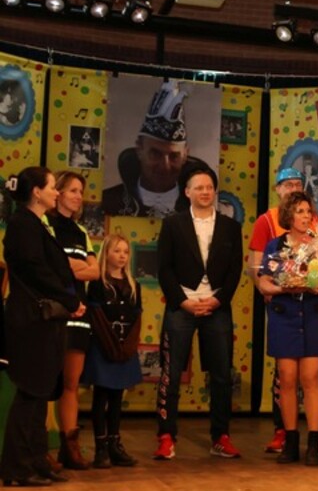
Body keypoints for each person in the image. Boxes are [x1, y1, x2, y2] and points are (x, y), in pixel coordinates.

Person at [248, 167, 318, 456]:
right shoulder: (275, 246)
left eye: (307, 211)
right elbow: (264, 282)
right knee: (287, 378)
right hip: (284, 315)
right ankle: (290, 440)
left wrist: (316, 284)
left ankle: (314, 441)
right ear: (288, 215)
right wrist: (285, 287)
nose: (304, 216)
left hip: (312, 315)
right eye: (299, 211)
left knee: (311, 378)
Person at [1, 166, 85, 486]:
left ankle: (37, 460)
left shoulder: (38, 224)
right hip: (31, 321)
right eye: (52, 186)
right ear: (36, 192)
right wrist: (69, 298)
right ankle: (17, 468)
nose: (56, 192)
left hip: (45, 321)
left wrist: (69, 299)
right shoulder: (22, 224)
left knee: (40, 394)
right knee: (30, 392)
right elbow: (37, 270)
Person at [154, 164, 243, 460]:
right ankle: (166, 436)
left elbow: (234, 271)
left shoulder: (231, 227)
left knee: (221, 375)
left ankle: (221, 436)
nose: (205, 192)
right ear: (187, 192)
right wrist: (182, 301)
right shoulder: (173, 224)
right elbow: (164, 268)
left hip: (217, 307)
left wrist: (218, 300)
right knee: (171, 374)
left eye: (209, 187)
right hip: (182, 306)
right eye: (199, 187)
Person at [49, 171, 100, 470]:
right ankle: (42, 445)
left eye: (81, 191)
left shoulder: (81, 232)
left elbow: (95, 271)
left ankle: (70, 447)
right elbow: (51, 266)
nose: (79, 196)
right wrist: (76, 266)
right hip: (55, 314)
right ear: (58, 192)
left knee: (71, 383)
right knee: (47, 383)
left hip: (80, 315)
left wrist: (71, 266)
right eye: (73, 190)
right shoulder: (46, 225)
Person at [102, 80, 211, 218]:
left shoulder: (200, 208)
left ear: (185, 155)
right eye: (155, 154)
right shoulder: (109, 201)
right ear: (140, 150)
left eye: (174, 156)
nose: (165, 166)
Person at [82, 233, 141, 468]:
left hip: (124, 349)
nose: (122, 256)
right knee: (101, 396)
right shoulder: (98, 284)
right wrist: (111, 346)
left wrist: (127, 347)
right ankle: (101, 448)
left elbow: (136, 319)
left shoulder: (133, 285)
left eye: (126, 252)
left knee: (117, 397)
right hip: (104, 347)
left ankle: (115, 444)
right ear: (106, 253)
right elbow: (96, 317)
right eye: (117, 251)